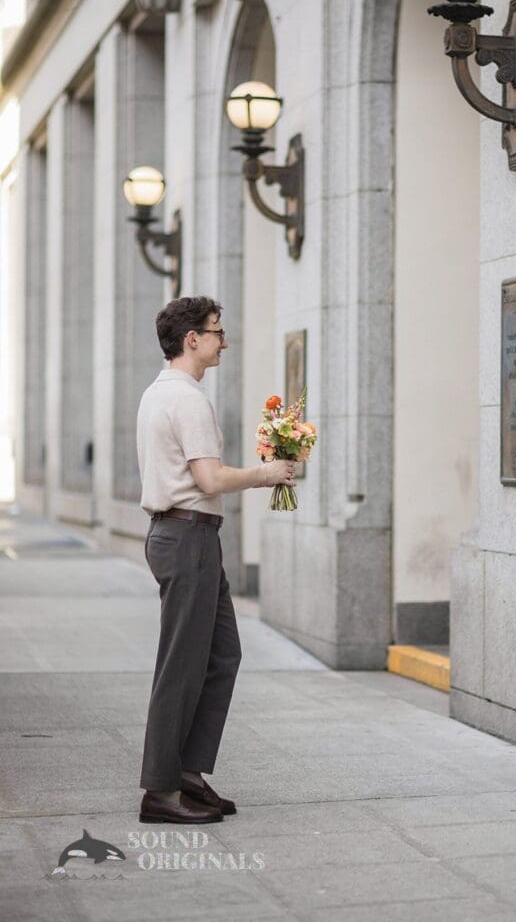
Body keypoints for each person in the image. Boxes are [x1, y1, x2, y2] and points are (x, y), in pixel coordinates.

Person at [136, 295, 295, 824]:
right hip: (188, 537)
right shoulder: (188, 399)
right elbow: (208, 480)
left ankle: (186, 772)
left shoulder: (159, 393)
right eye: (217, 331)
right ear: (192, 340)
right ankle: (160, 791)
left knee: (221, 655)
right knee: (182, 665)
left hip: (184, 536)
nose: (224, 341)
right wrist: (266, 473)